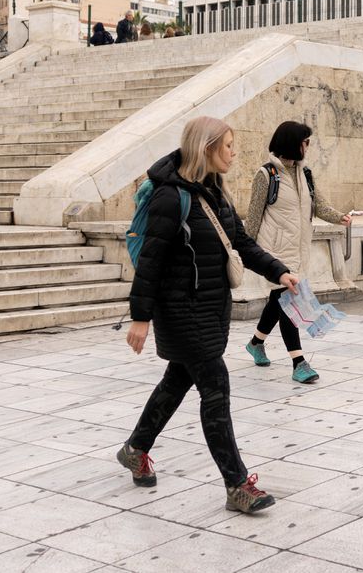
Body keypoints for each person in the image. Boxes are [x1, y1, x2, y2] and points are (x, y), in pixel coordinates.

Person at [120, 116, 298, 514]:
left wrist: (278, 270)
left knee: (177, 381)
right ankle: (237, 485)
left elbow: (242, 242)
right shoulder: (172, 197)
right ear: (206, 148)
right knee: (215, 387)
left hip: (209, 309)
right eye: (228, 146)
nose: (234, 153)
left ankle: (136, 449)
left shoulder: (214, 193)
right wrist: (140, 317)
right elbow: (150, 261)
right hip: (182, 312)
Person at [244, 121, 352, 383]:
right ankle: (298, 362)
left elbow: (320, 206)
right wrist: (248, 253)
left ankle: (256, 343)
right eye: (305, 141)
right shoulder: (267, 175)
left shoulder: (306, 174)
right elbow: (253, 217)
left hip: (299, 251)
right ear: (293, 143)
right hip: (275, 253)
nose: (308, 146)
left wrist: (340, 218)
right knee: (288, 303)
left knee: (277, 301)